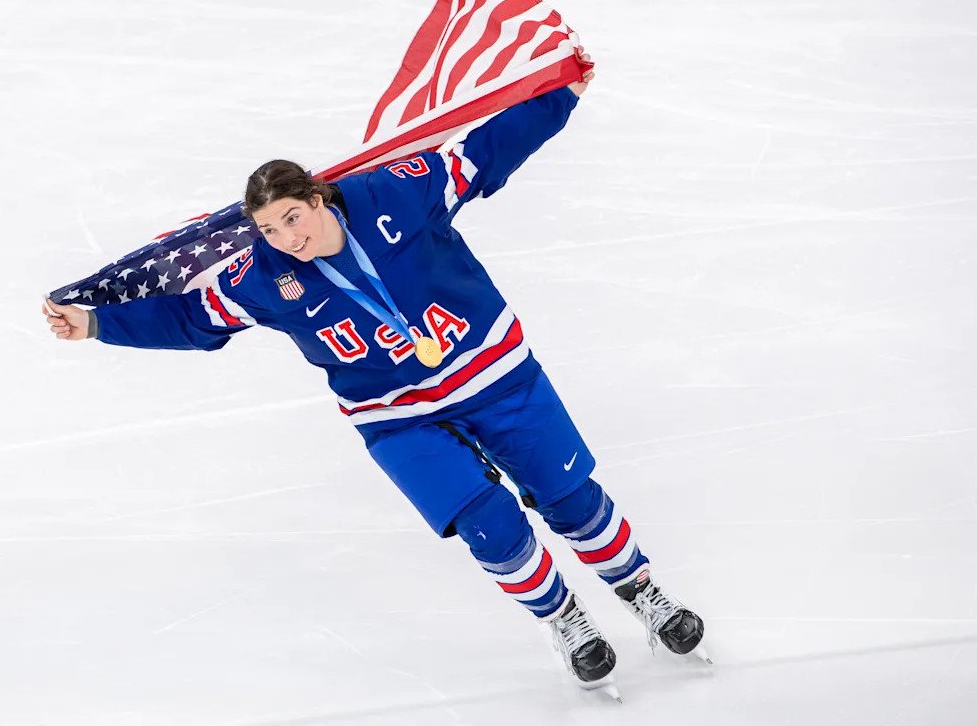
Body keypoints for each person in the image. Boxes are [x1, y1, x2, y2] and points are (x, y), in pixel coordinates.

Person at [42, 47, 706, 695]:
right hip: (397, 419)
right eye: (269, 229)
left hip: (496, 374)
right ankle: (565, 620)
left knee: (572, 500)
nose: (286, 238)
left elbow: (483, 155)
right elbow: (191, 319)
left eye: (292, 218)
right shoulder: (263, 278)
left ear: (318, 198)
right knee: (490, 524)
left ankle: (644, 595)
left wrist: (561, 95)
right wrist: (97, 323)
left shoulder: (399, 192)